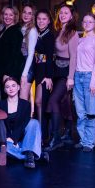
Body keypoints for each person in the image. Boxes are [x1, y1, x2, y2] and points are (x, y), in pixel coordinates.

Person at [46, 4, 79, 150]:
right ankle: (68, 134)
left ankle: (56, 138)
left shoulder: (72, 33)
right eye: (61, 12)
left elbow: (73, 57)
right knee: (64, 102)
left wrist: (71, 77)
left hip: (66, 72)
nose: (63, 15)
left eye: (66, 13)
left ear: (71, 16)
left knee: (54, 100)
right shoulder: (59, 30)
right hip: (56, 70)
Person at [73, 14, 95, 151]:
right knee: (80, 112)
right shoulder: (80, 39)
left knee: (91, 112)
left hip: (90, 76)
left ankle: (89, 142)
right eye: (85, 21)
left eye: (90, 21)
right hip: (78, 76)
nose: (87, 23)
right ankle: (83, 139)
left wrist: (93, 81)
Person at [1, 77, 45, 169]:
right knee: (2, 149)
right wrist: (9, 138)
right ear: (5, 90)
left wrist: (14, 139)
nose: (11, 88)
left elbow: (23, 124)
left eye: (13, 86)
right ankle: (33, 155)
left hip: (23, 140)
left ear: (18, 87)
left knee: (34, 122)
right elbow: (0, 125)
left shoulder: (26, 104)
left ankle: (29, 151)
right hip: (7, 140)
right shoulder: (0, 105)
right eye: (8, 87)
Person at [33, 9, 55, 142]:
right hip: (37, 70)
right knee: (37, 103)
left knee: (40, 102)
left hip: (44, 72)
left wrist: (49, 76)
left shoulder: (49, 36)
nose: (41, 21)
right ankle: (39, 134)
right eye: (39, 19)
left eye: (44, 19)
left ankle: (42, 136)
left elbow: (50, 57)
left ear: (48, 21)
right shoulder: (37, 33)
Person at [0, 6, 22, 101]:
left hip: (9, 72)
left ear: (15, 16)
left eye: (11, 15)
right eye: (6, 14)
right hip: (2, 71)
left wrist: (8, 73)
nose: (8, 17)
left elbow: (15, 55)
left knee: (9, 99)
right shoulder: (5, 30)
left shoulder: (16, 32)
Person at [19, 5, 38, 102]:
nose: (26, 15)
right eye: (24, 12)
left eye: (29, 13)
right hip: (21, 63)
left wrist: (24, 74)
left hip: (28, 66)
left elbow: (31, 54)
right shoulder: (22, 28)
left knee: (23, 98)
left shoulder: (32, 30)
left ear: (33, 16)